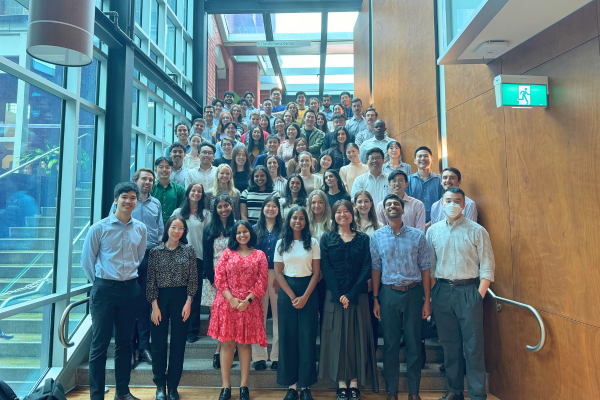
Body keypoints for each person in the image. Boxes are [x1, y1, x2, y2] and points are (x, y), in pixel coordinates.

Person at [427, 187, 495, 400]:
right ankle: (455, 392)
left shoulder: (477, 230)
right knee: (449, 345)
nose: (453, 204)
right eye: (449, 200)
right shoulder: (433, 231)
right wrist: (430, 296)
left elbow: (487, 266)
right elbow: (430, 268)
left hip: (469, 291)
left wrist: (478, 295)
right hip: (442, 291)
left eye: (457, 200)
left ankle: (477, 395)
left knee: (473, 347)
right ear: (441, 203)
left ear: (464, 205)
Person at [82, 182, 147, 400]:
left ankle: (122, 392)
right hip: (104, 289)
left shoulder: (140, 228)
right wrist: (101, 283)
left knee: (125, 343)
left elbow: (138, 257)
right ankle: (96, 395)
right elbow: (87, 262)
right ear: (115, 200)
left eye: (132, 197)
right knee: (99, 345)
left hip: (130, 290)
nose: (128, 201)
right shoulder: (99, 228)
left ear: (137, 201)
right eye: (124, 197)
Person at [371, 193, 431, 400]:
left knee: (414, 343)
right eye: (388, 204)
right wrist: (376, 298)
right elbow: (376, 269)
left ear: (403, 210)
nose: (393, 207)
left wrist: (427, 300)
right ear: (384, 210)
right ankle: (392, 391)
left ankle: (414, 392)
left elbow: (425, 269)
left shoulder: (417, 236)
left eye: (396, 204)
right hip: (388, 295)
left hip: (413, 294)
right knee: (390, 345)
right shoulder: (377, 237)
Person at [319, 200, 379, 399]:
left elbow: (366, 267)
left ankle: (354, 383)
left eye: (346, 211)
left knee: (357, 338)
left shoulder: (363, 239)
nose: (342, 214)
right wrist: (339, 295)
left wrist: (352, 294)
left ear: (352, 215)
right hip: (334, 297)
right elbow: (326, 268)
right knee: (336, 339)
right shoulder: (327, 238)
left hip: (358, 296)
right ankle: (341, 383)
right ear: (333, 215)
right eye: (338, 211)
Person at [207, 220, 269, 400]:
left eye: (245, 231)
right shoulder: (227, 253)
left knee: (244, 343)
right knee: (227, 344)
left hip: (249, 304)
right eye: (238, 232)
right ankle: (225, 386)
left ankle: (244, 386)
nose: (242, 235)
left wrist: (247, 301)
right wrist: (232, 299)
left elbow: (262, 281)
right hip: (227, 303)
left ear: (251, 233)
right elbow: (219, 278)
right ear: (234, 235)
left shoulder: (260, 255)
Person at [147, 216, 198, 400]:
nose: (177, 231)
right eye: (174, 227)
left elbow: (193, 279)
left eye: (181, 228)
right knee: (159, 344)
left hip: (181, 299)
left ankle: (173, 386)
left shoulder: (189, 250)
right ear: (167, 228)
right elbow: (151, 281)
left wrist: (189, 301)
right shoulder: (155, 252)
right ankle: (160, 385)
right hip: (160, 299)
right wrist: (154, 306)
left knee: (178, 344)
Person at [274, 206, 321, 400]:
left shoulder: (313, 242)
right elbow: (278, 272)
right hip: (287, 293)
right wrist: (293, 296)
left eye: (301, 218)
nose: (298, 221)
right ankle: (291, 386)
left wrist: (304, 297)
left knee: (307, 338)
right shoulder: (281, 243)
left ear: (306, 222)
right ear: (288, 220)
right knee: (288, 338)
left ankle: (305, 386)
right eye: (294, 218)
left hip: (309, 291)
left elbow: (317, 273)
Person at [124, 169, 164, 369]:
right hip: (128, 258)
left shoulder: (155, 203)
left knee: (146, 301)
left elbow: (160, 229)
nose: (148, 182)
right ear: (135, 180)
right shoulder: (126, 202)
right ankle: (130, 347)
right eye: (144, 179)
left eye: (151, 179)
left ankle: (143, 346)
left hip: (149, 256)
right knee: (130, 303)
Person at [171, 184, 211, 344]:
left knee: (193, 295)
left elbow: (209, 238)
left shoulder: (206, 214)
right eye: (193, 190)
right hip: (179, 258)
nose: (196, 193)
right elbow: (171, 233)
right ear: (188, 193)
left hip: (198, 258)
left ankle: (192, 331)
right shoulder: (178, 213)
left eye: (199, 191)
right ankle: (179, 328)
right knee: (179, 295)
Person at [202, 195, 236, 370]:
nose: (224, 209)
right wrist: (214, 280)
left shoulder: (237, 227)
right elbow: (206, 258)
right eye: (220, 206)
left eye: (226, 205)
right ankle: (219, 351)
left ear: (231, 206)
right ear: (215, 210)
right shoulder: (209, 229)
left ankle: (223, 350)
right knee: (219, 319)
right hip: (213, 281)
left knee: (230, 318)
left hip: (235, 281)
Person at [251, 197, 284, 371]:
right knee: (259, 316)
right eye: (268, 206)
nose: (271, 209)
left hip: (279, 276)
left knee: (279, 317)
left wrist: (282, 277)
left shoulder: (285, 230)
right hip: (258, 276)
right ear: (263, 209)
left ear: (278, 210)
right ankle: (259, 356)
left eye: (274, 206)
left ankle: (277, 355)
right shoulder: (254, 230)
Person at [353, 190, 384, 344]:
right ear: (355, 204)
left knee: (372, 316)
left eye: (366, 201)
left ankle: (371, 353)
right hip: (353, 277)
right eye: (360, 201)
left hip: (374, 277)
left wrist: (373, 279)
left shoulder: (380, 226)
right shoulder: (349, 224)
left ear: (371, 203)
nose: (363, 205)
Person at [306, 190, 332, 331]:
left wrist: (322, 270)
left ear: (325, 204)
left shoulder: (332, 224)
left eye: (320, 202)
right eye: (313, 202)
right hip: (308, 271)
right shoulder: (304, 224)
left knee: (324, 308)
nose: (317, 205)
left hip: (327, 272)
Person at [406, 146, 444, 223]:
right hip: (413, 223)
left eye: (426, 156)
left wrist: (431, 222)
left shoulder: (441, 180)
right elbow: (406, 203)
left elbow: (443, 203)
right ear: (415, 161)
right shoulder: (407, 180)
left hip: (436, 222)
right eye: (420, 156)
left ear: (432, 160)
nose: (423, 158)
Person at [152, 157, 186, 225]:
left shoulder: (180, 189)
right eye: (161, 167)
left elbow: (183, 209)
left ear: (171, 171)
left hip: (173, 227)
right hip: (154, 227)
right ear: (155, 170)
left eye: (167, 167)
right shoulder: (151, 189)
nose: (164, 170)